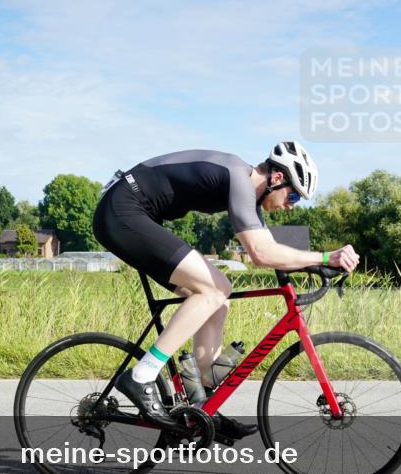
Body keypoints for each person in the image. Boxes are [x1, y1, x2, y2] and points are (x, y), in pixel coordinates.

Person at [92, 142, 360, 440]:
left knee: (218, 301)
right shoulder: (238, 177)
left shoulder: (248, 196)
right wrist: (324, 257)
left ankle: (200, 406)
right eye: (294, 194)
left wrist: (316, 264)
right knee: (214, 289)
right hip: (122, 211)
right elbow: (259, 253)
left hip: (135, 214)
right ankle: (142, 376)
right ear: (276, 179)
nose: (292, 204)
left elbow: (270, 249)